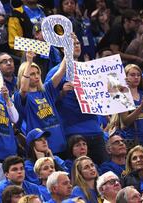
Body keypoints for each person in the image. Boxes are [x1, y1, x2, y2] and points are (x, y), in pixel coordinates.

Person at [45, 35, 108, 165]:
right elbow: (46, 100)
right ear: (63, 49)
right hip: (73, 132)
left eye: (78, 43)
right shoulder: (56, 72)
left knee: (101, 173)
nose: (77, 45)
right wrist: (62, 93)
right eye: (72, 44)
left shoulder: (90, 70)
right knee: (79, 173)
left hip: (96, 131)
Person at [14, 50, 67, 156]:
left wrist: (68, 51)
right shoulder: (20, 96)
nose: (36, 76)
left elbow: (62, 70)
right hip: (41, 147)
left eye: (38, 73)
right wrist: (29, 62)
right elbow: (23, 89)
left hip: (60, 143)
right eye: (32, 74)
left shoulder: (46, 90)